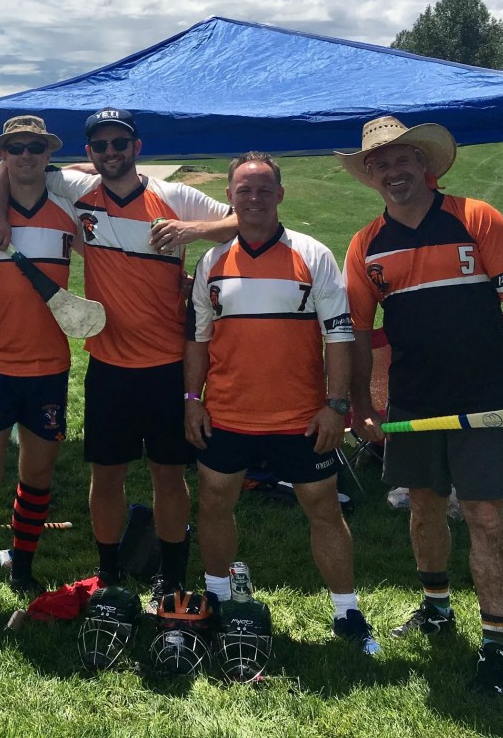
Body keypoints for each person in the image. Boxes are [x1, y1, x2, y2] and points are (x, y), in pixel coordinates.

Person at [0, 107, 236, 607]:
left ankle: (170, 573)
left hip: (167, 363)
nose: (110, 153)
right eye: (100, 146)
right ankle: (107, 573)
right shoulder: (80, 192)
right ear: (90, 153)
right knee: (107, 476)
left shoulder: (174, 196)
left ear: (136, 147)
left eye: (119, 143)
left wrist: (190, 231)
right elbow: (8, 164)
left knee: (168, 475)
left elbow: (238, 222)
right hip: (108, 363)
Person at [340, 115, 503, 696]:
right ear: (371, 175)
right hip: (413, 399)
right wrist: (360, 402)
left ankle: (496, 645)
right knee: (423, 506)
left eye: (403, 160)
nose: (393, 171)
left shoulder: (476, 218)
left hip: (482, 399)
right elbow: (356, 331)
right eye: (381, 164)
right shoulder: (365, 245)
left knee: (484, 515)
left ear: (424, 166)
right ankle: (435, 606)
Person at [184, 152, 378, 654]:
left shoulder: (312, 255)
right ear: (229, 196)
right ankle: (217, 598)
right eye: (244, 189)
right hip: (227, 412)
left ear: (280, 195)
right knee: (214, 504)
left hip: (300, 416)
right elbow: (199, 342)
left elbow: (338, 336)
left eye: (264, 188)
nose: (254, 198)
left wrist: (337, 406)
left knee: (323, 510)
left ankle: (347, 609)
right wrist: (191, 399)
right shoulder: (211, 262)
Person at [0, 115, 81, 623]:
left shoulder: (70, 210)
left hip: (50, 366)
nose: (26, 155)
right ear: (3, 154)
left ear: (47, 153)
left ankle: (23, 567)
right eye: (16, 148)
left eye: (35, 147)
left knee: (37, 476)